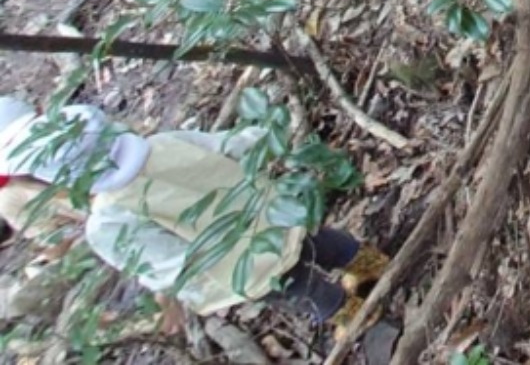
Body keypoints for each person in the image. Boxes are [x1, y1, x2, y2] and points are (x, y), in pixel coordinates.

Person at [0, 98, 383, 324]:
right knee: (316, 241)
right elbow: (226, 145)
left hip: (238, 262)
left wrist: (195, 287)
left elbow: (164, 265)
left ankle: (348, 311)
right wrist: (263, 140)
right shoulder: (160, 144)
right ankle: (367, 263)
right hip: (266, 214)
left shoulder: (109, 222)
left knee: (297, 287)